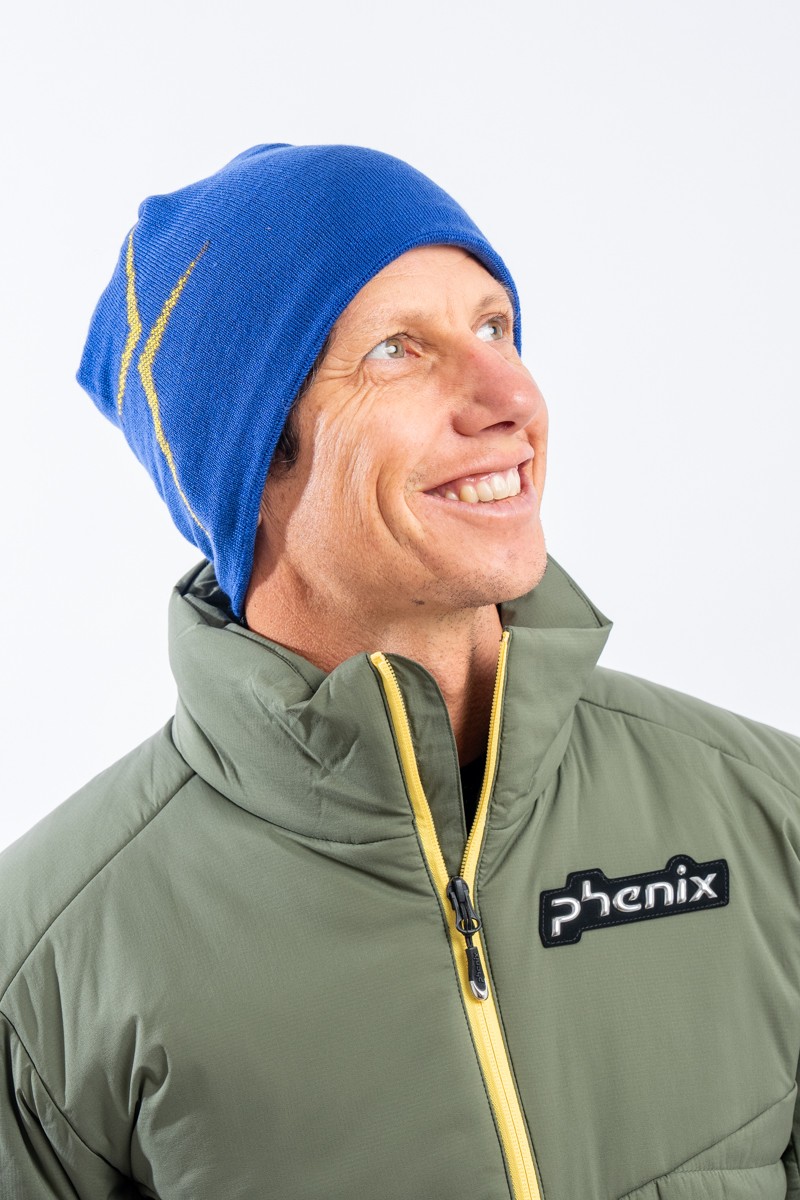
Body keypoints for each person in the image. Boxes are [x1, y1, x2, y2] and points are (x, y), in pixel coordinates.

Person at [1, 143, 799, 1200]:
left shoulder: (767, 817)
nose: (510, 394)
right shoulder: (47, 971)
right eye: (396, 350)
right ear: (250, 462)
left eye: (494, 327)